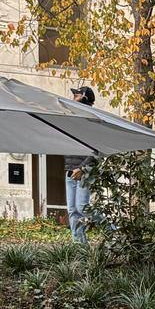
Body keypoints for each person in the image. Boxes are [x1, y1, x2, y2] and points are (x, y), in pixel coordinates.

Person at [64, 84, 97, 244]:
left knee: (83, 206)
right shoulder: (73, 118)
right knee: (73, 210)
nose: (73, 98)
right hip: (70, 170)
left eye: (76, 95)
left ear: (84, 98)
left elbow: (97, 150)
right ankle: (80, 247)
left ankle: (113, 229)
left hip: (84, 170)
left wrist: (82, 168)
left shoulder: (91, 120)